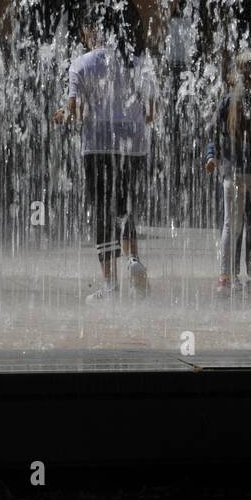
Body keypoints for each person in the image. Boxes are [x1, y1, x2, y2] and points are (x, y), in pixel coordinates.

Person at [55, 23, 155, 300]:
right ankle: (133, 258)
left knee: (102, 211)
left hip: (97, 146)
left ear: (88, 33)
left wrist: (62, 114)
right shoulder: (136, 62)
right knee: (126, 206)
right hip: (133, 146)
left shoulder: (81, 63)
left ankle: (110, 285)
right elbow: (151, 113)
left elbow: (72, 108)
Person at [204, 49, 251, 295]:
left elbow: (212, 130)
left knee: (230, 227)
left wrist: (214, 157)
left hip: (233, 172)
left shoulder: (228, 99)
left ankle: (225, 278)